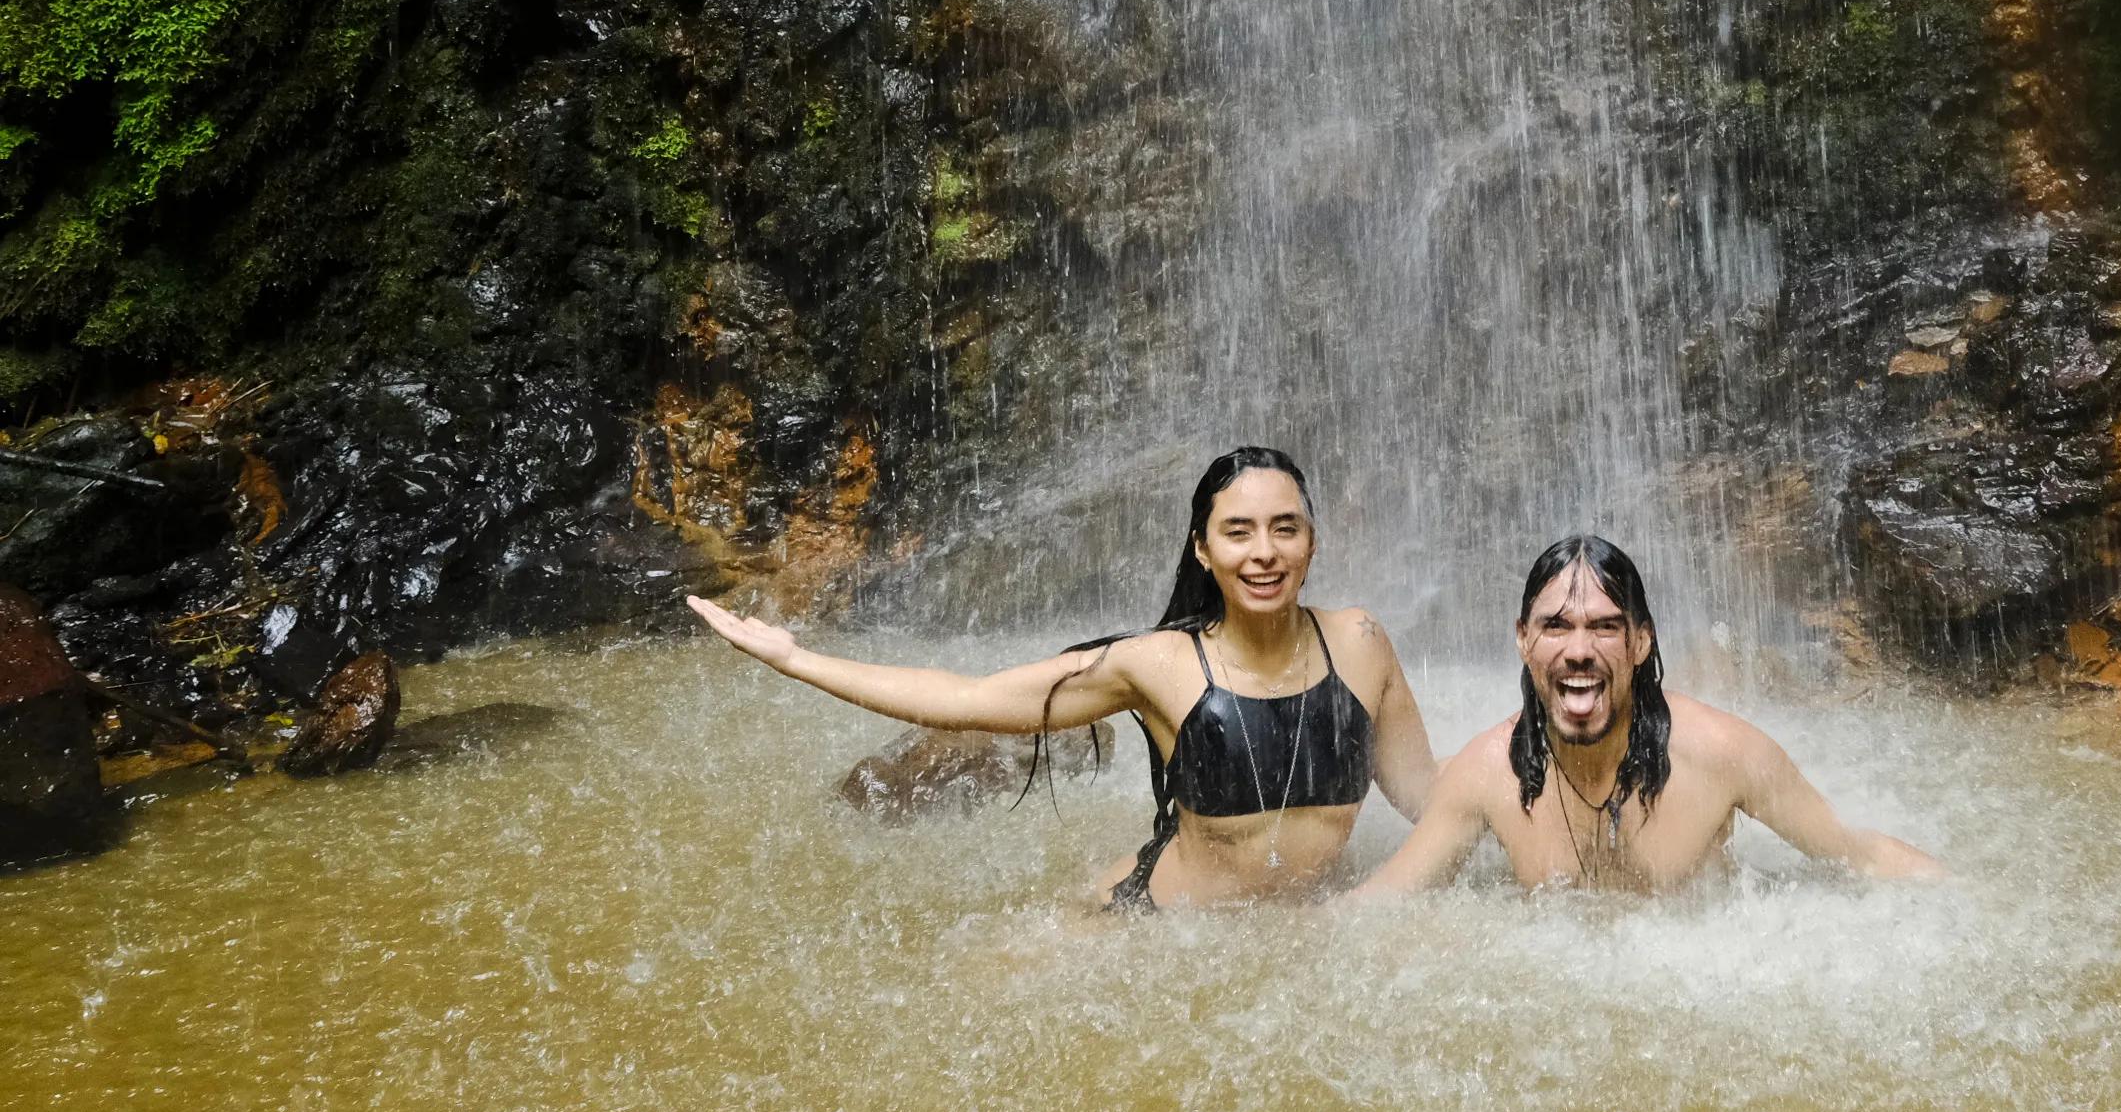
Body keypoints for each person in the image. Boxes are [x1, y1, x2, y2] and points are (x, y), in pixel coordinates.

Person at [689, 446, 1436, 909]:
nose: (1264, 552)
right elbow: (970, 701)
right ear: (1204, 552)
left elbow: (1432, 802)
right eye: (1237, 532)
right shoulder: (1158, 664)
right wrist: (797, 658)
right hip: (1163, 929)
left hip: (1301, 932)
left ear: (1311, 539)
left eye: (1285, 527)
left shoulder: (1361, 644)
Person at [1355, 534, 1941, 896]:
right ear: (1523, 641)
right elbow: (1387, 902)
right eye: (1555, 625)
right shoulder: (1486, 772)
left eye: (1604, 626)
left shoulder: (1725, 754)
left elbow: (1856, 854)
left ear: (1639, 643)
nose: (1578, 649)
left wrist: (1977, 904)